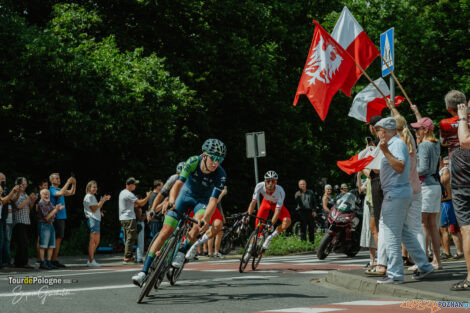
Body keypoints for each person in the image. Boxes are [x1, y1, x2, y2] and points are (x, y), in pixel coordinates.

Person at [132, 138, 227, 286]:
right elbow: (177, 185)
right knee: (165, 231)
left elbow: (213, 201)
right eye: (213, 157)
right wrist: (171, 200)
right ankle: (143, 272)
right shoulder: (193, 161)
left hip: (202, 201)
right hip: (185, 195)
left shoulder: (220, 174)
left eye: (219, 159)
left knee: (199, 221)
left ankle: (182, 251)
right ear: (204, 155)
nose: (215, 162)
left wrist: (206, 219)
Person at [374, 117, 433, 284]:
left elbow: (399, 166)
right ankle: (424, 265)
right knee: (404, 232)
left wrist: (385, 152)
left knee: (392, 234)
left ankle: (395, 274)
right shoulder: (394, 144)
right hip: (397, 193)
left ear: (383, 132)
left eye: (378, 130)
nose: (378, 133)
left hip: (396, 194)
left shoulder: (396, 144)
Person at [441, 91, 470, 291]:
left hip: (460, 178)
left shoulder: (445, 123)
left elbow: (446, 141)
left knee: (467, 229)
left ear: (448, 107)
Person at [411, 117, 442, 270]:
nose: (415, 131)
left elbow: (423, 169)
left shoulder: (424, 146)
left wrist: (409, 172)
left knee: (423, 224)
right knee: (432, 225)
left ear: (425, 130)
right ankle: (437, 260)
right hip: (435, 185)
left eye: (417, 129)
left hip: (427, 186)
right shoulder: (436, 144)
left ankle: (422, 262)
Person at [245, 170, 291, 259]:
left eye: (273, 181)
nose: (270, 183)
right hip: (265, 203)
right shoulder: (259, 186)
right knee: (257, 229)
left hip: (276, 205)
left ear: (276, 182)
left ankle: (270, 237)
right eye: (268, 181)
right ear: (264, 181)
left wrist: (271, 224)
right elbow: (253, 202)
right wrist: (248, 215)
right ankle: (248, 252)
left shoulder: (280, 191)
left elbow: (277, 212)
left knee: (287, 221)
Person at [119, 178, 150, 264]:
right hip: (129, 218)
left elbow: (135, 204)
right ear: (129, 185)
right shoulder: (129, 194)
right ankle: (127, 256)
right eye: (134, 184)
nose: (135, 186)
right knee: (131, 237)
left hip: (123, 218)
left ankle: (127, 255)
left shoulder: (122, 192)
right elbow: (140, 203)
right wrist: (147, 197)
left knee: (127, 237)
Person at [49, 173, 76, 268]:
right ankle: (51, 260)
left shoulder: (60, 189)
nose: (58, 179)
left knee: (59, 239)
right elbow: (60, 194)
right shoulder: (51, 189)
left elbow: (72, 192)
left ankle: (54, 259)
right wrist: (68, 182)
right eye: (56, 178)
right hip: (55, 217)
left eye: (59, 178)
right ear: (52, 181)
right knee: (55, 239)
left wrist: (74, 183)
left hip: (61, 217)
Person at [439, 156, 463, 260]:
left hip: (446, 202)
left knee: (447, 229)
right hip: (441, 203)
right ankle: (446, 251)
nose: (446, 165)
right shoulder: (439, 171)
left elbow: (442, 182)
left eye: (446, 163)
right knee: (443, 229)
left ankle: (448, 252)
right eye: (444, 163)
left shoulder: (445, 171)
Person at [12, 177, 38, 268]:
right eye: (23, 183)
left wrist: (33, 200)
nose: (25, 185)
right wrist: (28, 200)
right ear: (19, 184)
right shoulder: (15, 193)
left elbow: (29, 208)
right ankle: (22, 262)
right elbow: (18, 206)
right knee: (23, 242)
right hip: (19, 221)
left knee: (23, 243)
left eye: (25, 183)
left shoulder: (25, 194)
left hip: (26, 221)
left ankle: (19, 262)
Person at [84, 180, 111, 267]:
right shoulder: (89, 197)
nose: (95, 188)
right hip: (93, 220)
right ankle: (91, 260)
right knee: (93, 241)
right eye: (93, 187)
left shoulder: (92, 196)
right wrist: (102, 201)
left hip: (95, 219)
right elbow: (94, 209)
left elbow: (95, 208)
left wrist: (101, 209)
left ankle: (91, 260)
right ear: (89, 188)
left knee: (96, 241)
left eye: (96, 187)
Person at [37, 189, 64, 269]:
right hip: (44, 225)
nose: (47, 195)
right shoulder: (41, 203)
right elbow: (47, 217)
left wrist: (57, 208)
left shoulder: (49, 203)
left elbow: (53, 211)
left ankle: (49, 262)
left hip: (50, 225)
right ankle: (42, 263)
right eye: (45, 194)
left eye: (48, 194)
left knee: (51, 245)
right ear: (41, 195)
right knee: (43, 245)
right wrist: (56, 209)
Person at [0, 182, 19, 268]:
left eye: (1, 190)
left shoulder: (1, 199)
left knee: (2, 241)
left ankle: (2, 262)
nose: (1, 192)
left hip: (1, 221)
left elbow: (5, 200)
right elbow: (5, 200)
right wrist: (13, 191)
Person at [208, 186, 227, 258]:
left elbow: (219, 205)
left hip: (216, 212)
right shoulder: (212, 189)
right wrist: (222, 194)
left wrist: (222, 216)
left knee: (217, 232)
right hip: (212, 211)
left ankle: (213, 252)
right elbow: (214, 201)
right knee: (214, 232)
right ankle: (213, 252)